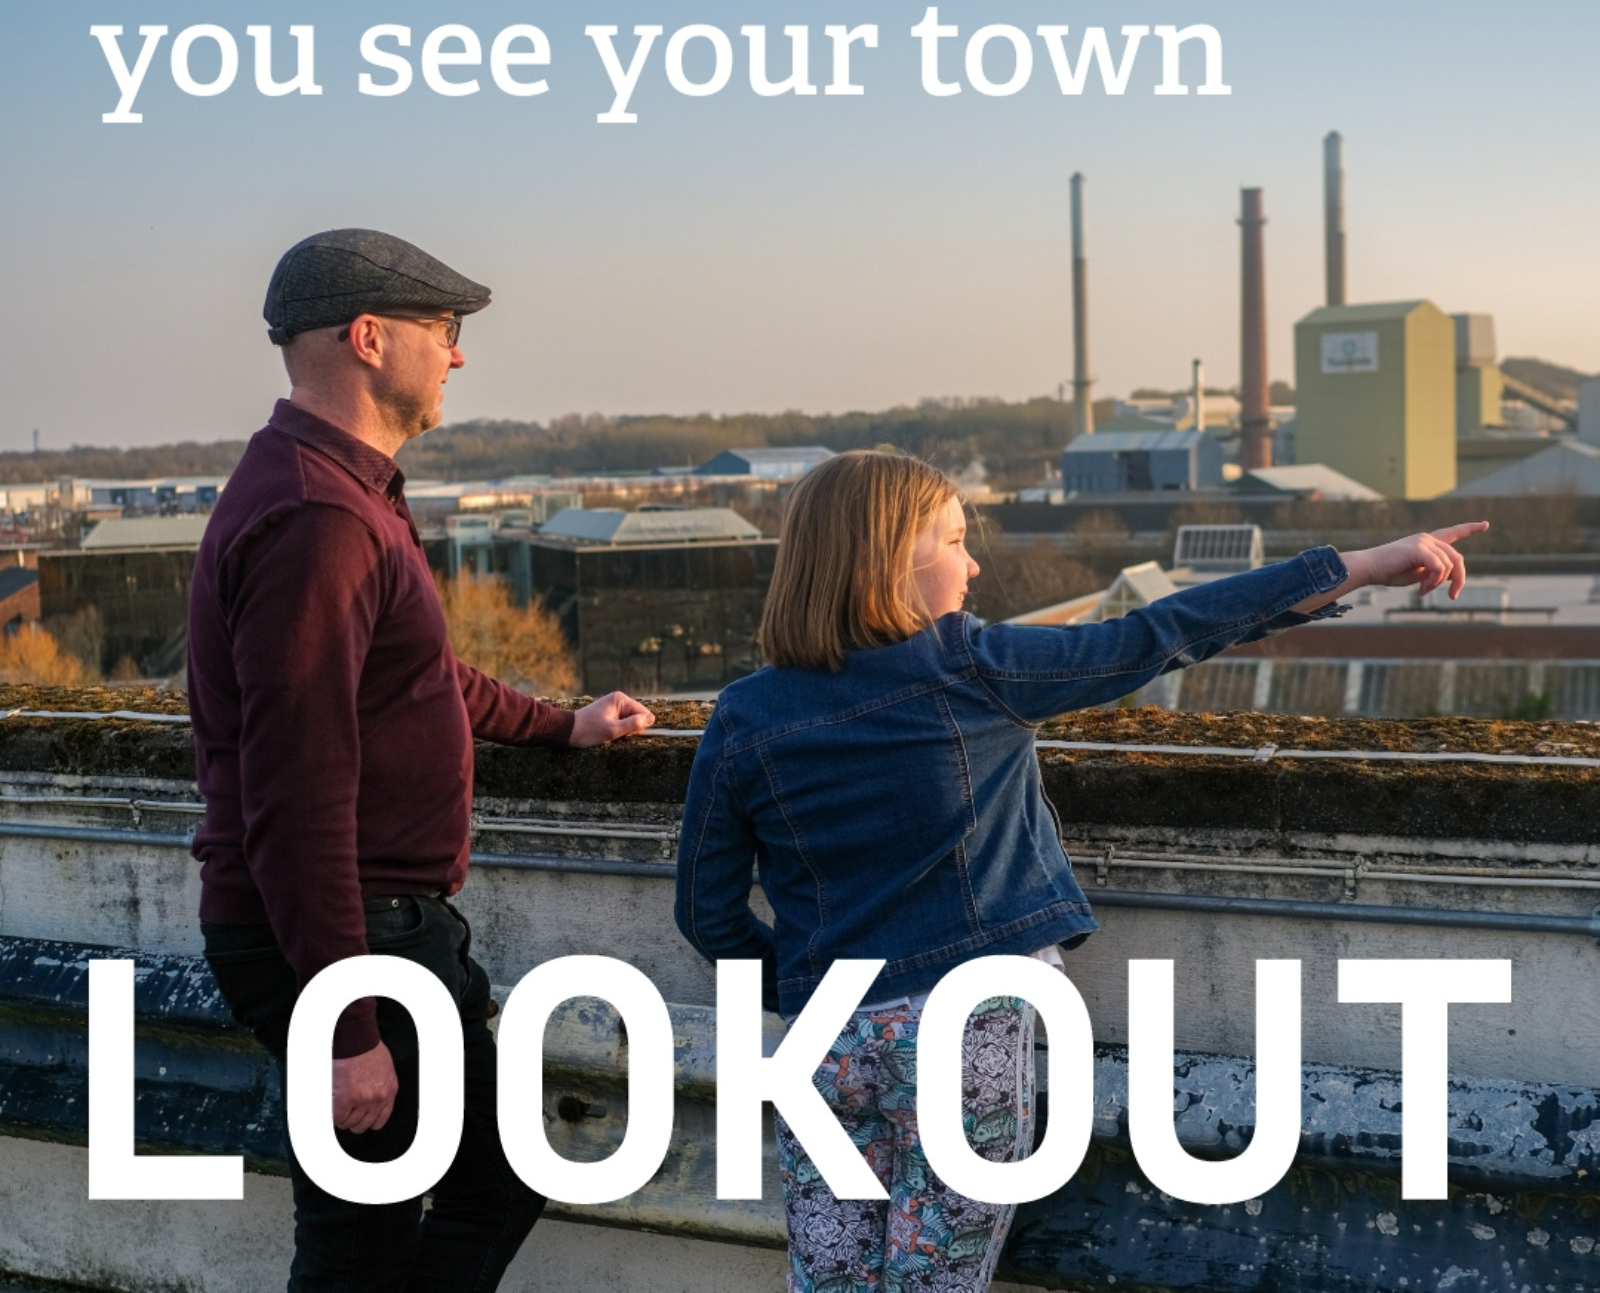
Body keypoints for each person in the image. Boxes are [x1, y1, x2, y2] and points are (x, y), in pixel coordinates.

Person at [674, 449, 1485, 1293]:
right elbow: (1160, 634)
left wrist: (811, 990)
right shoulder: (973, 667)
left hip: (823, 1044)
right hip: (963, 1029)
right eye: (956, 539)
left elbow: (707, 914)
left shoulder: (743, 715)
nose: (975, 561)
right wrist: (1360, 564)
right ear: (892, 560)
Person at [189, 228, 655, 1293]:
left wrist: (559, 725)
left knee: (413, 1209)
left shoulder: (338, 492)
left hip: (372, 932)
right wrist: (345, 1025)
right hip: (356, 937)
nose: (457, 356)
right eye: (443, 331)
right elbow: (294, 790)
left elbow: (418, 678)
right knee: (389, 1223)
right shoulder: (318, 518)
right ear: (367, 337)